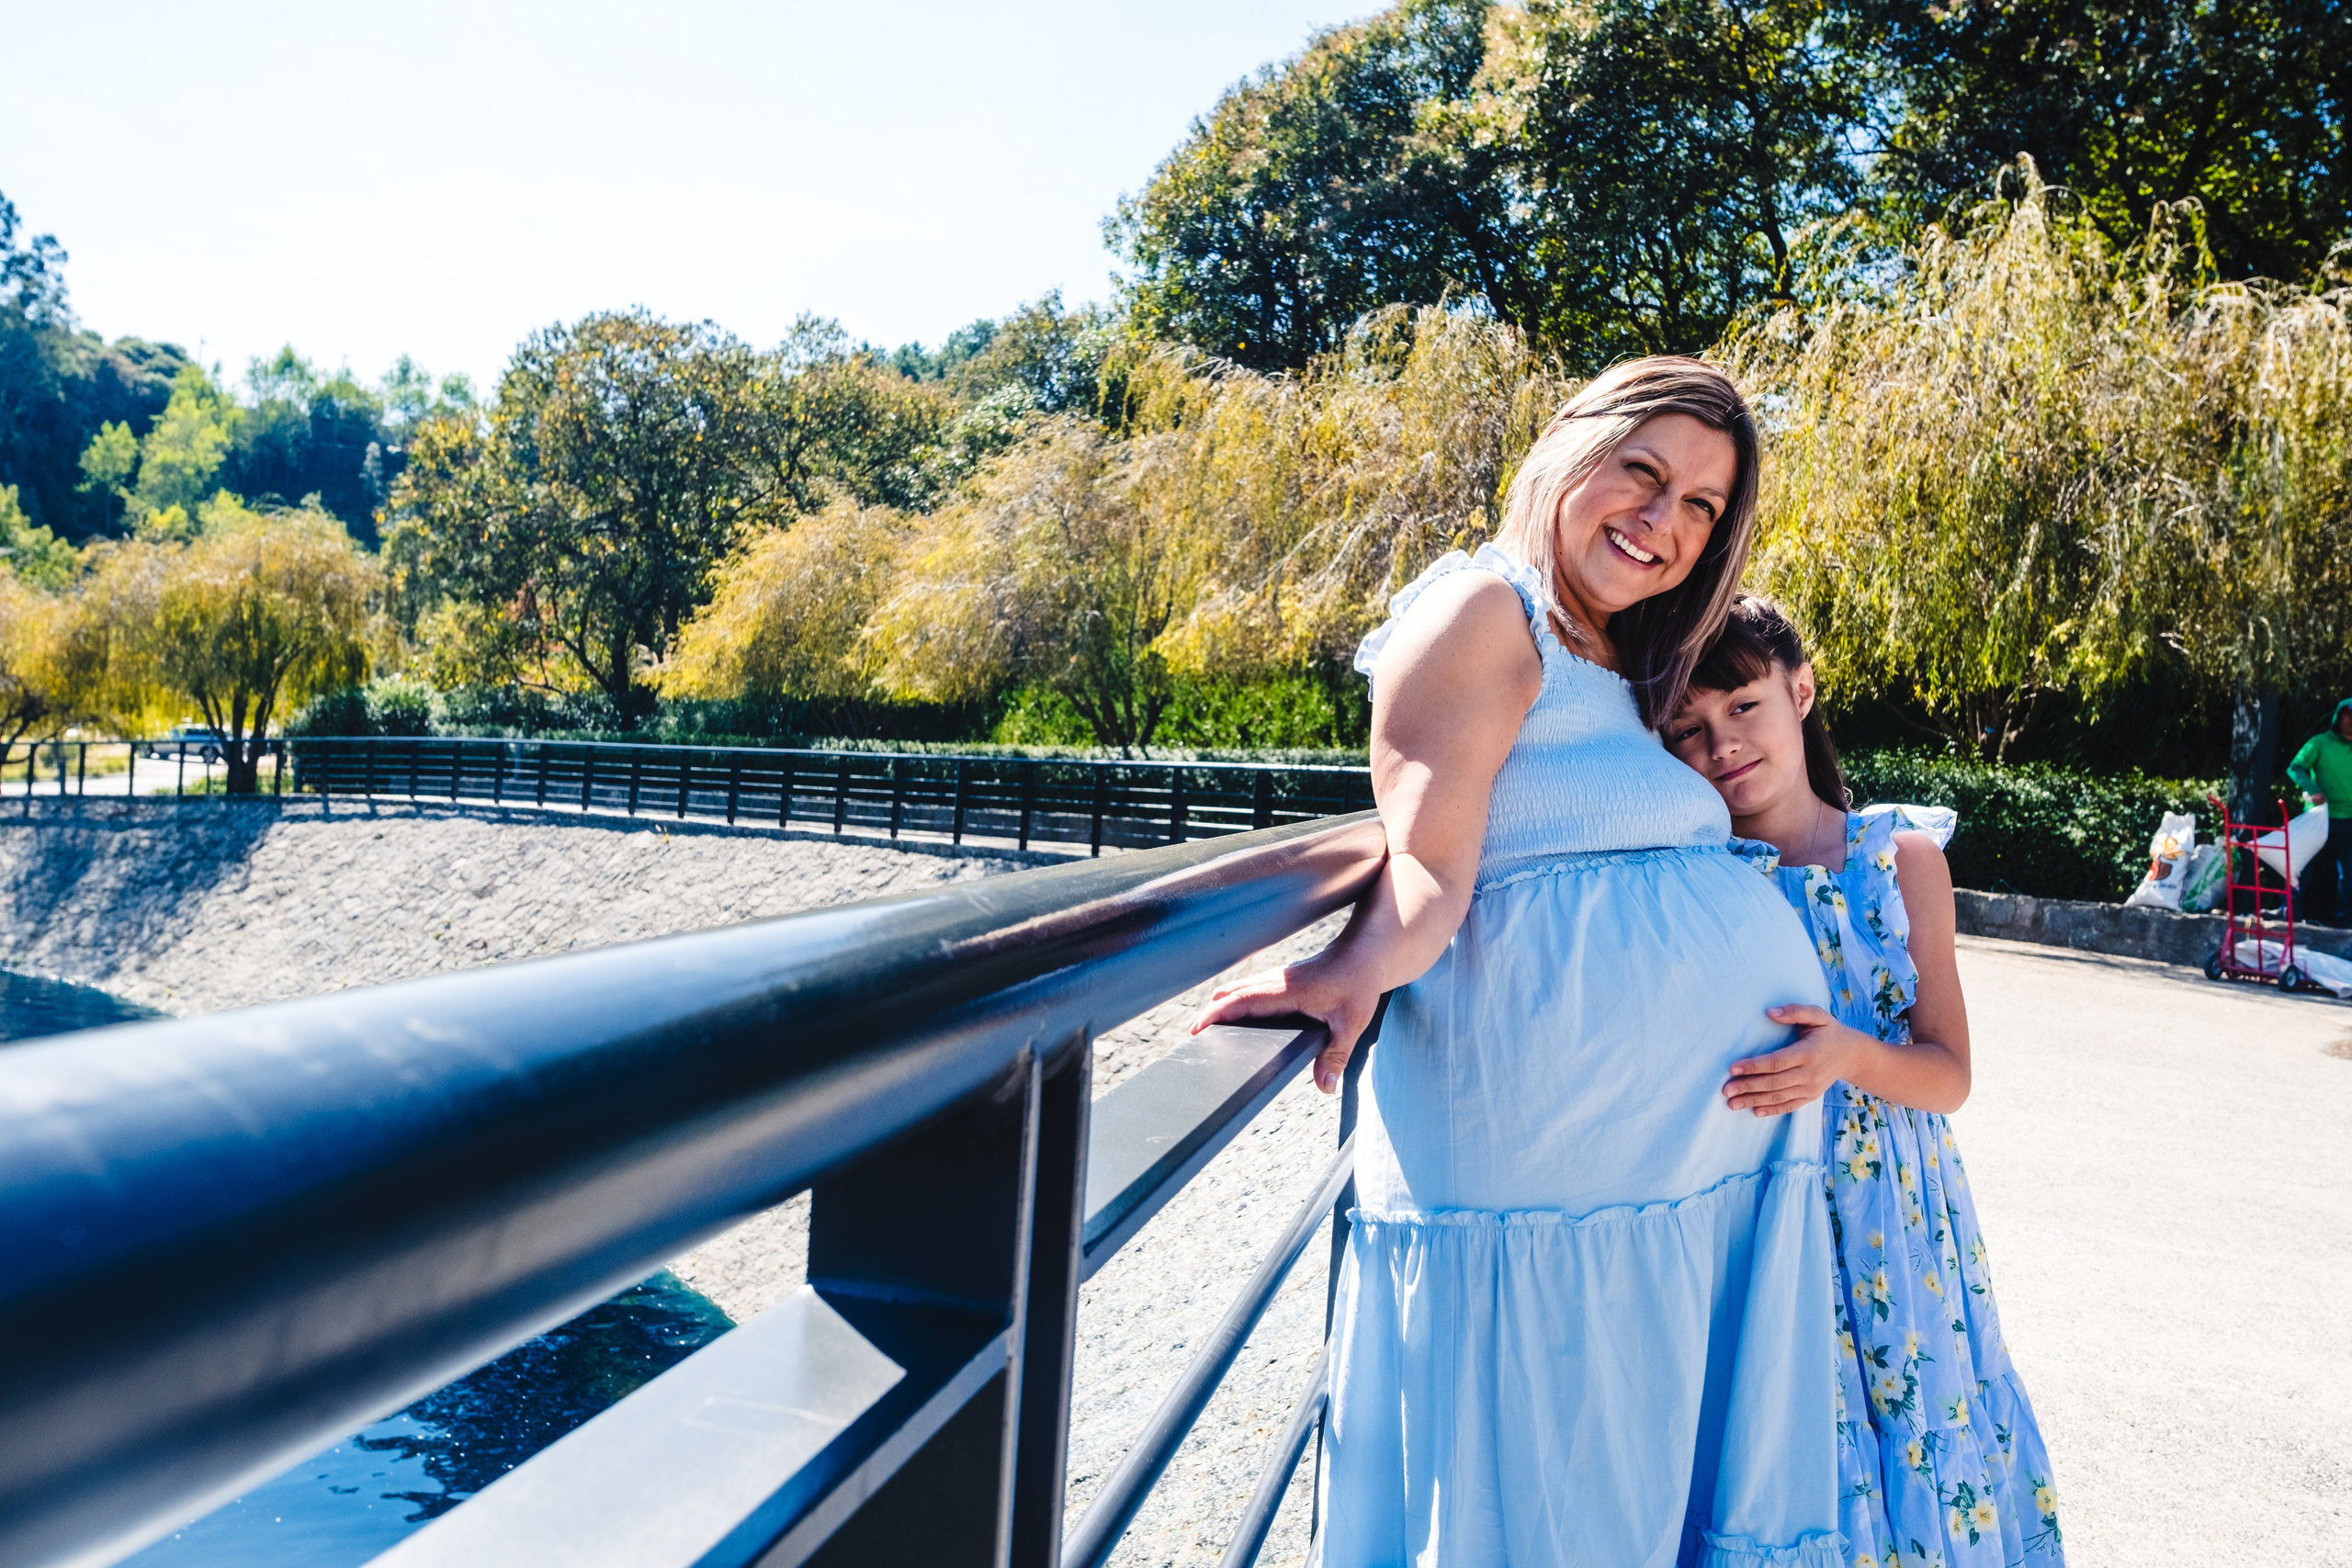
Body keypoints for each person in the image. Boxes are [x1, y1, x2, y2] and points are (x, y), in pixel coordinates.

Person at [1197, 358, 1844, 1565]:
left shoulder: (1615, 656)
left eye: (1704, 505)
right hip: (1556, 1181)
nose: (1666, 523)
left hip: (1669, 1177)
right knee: (1552, 1482)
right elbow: (1430, 864)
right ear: (1568, 446)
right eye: (1643, 472)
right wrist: (1349, 969)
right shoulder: (1483, 610)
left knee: (1623, 1482)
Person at [1663, 596, 2065, 1567]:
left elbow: (1950, 1073)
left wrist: (1847, 1056)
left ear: (1799, 691)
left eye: (1744, 706)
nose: (1721, 744)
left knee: (1916, 1424)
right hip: (1760, 1212)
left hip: (1897, 1221)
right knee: (1795, 1445)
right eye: (1689, 729)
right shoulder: (1696, 873)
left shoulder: (1899, 860)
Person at [2288, 699, 2352, 925]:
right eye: (2347, 714)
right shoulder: (2320, 742)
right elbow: (2296, 767)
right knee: (2301, 865)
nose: (2351, 720)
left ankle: (2346, 924)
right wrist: (2312, 789)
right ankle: (2291, 914)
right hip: (2319, 816)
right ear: (2339, 716)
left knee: (2349, 873)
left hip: (2349, 818)